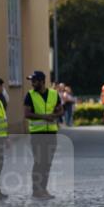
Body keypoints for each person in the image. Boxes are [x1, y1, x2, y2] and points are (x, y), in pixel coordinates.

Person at [23, 71, 62, 199]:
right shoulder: (30, 95)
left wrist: (55, 115)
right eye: (32, 81)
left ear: (42, 81)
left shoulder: (54, 94)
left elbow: (61, 110)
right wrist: (44, 117)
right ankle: (36, 190)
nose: (32, 83)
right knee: (39, 162)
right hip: (37, 134)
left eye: (34, 81)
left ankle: (44, 189)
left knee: (47, 163)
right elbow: (27, 114)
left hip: (51, 133)